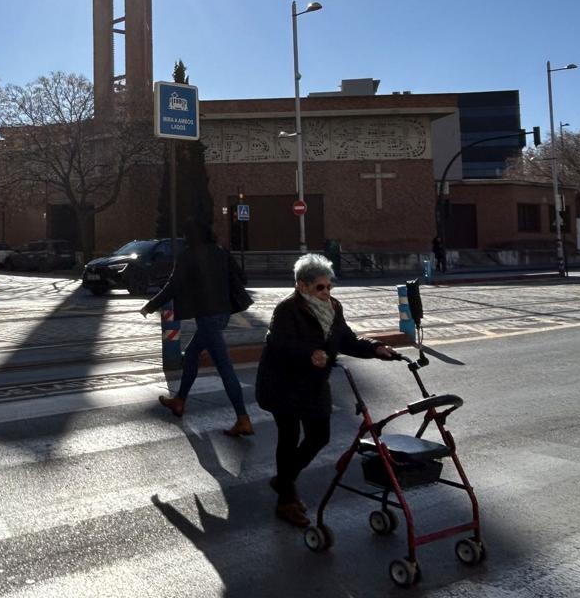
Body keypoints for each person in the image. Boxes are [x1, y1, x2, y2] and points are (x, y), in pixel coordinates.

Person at [255, 253, 398, 527]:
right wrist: (309, 353)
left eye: (329, 286)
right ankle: (285, 500)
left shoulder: (333, 307)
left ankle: (283, 480)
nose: (326, 292)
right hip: (283, 385)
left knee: (319, 436)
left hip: (313, 385)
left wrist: (375, 348)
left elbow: (346, 338)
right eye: (320, 287)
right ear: (302, 286)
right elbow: (278, 343)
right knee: (289, 437)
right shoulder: (287, 309)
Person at [139, 218, 254, 437]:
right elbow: (242, 278)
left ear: (190, 236)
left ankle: (243, 418)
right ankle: (180, 400)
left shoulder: (189, 256)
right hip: (223, 315)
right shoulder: (221, 252)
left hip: (208, 318)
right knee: (191, 354)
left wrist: (150, 306)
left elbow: (173, 286)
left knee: (225, 367)